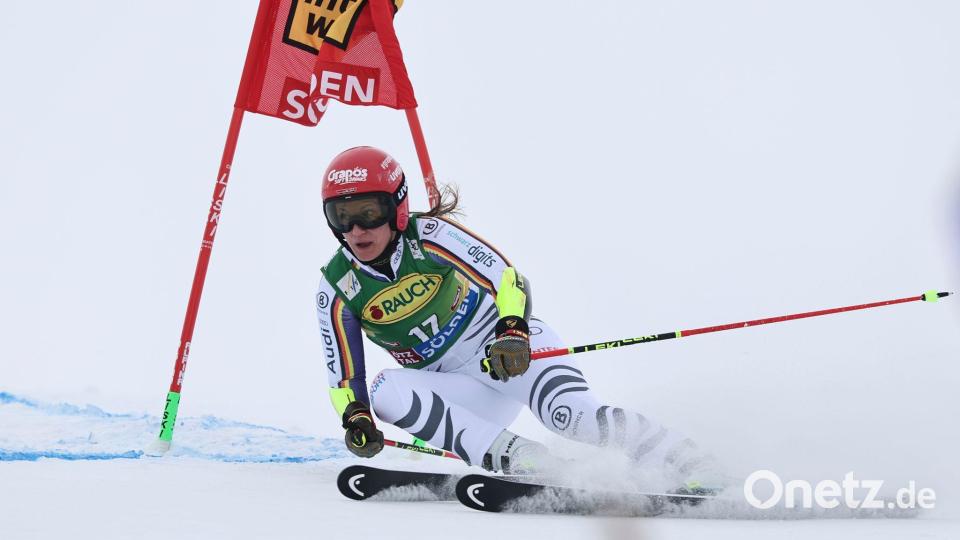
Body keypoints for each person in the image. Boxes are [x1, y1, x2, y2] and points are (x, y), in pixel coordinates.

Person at [317, 146, 708, 480]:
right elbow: (344, 379)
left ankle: (691, 461)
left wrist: (512, 330)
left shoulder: (431, 236)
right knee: (385, 392)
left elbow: (508, 279)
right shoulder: (336, 288)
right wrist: (356, 418)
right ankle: (524, 460)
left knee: (573, 417)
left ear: (396, 208)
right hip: (459, 390)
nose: (355, 229)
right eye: (340, 216)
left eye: (367, 212)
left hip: (508, 358)